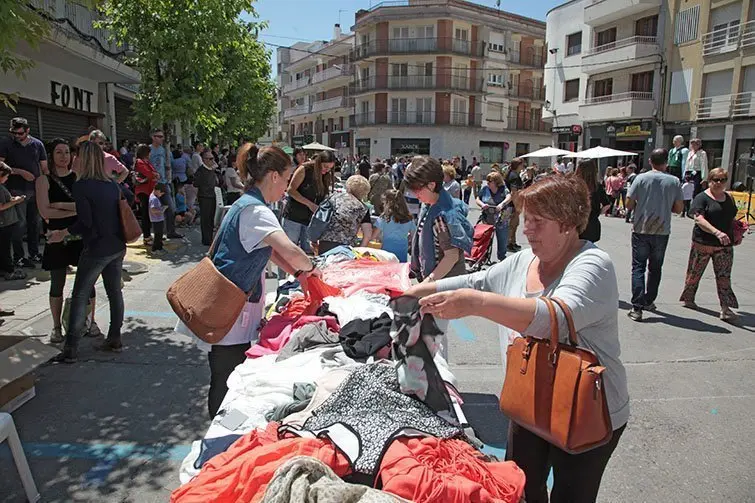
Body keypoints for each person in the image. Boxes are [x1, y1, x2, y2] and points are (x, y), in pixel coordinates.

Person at [405, 174, 628, 503]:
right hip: (530, 399)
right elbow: (480, 280)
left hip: (588, 410)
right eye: (526, 220)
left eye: (538, 222)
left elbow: (552, 316)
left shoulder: (593, 264)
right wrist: (424, 289)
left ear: (567, 224)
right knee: (520, 487)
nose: (526, 230)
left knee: (571, 496)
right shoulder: (525, 259)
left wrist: (476, 306)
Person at [194, 145, 323, 418]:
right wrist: (312, 268)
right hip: (231, 312)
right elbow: (288, 249)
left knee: (227, 373)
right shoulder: (257, 211)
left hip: (232, 307)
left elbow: (271, 250)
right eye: (287, 180)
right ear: (274, 176)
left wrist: (300, 274)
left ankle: (225, 429)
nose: (287, 188)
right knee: (227, 378)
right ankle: (221, 435)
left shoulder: (248, 204)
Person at [49, 141, 127, 363]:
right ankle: (114, 337)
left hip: (96, 248)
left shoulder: (82, 186)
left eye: (76, 155)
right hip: (117, 245)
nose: (72, 158)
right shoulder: (111, 185)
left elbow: (85, 222)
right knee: (114, 293)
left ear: (83, 159)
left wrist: (64, 232)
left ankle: (71, 347)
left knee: (80, 295)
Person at [37, 138, 100, 342]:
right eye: (59, 152)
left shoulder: (79, 179)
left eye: (66, 152)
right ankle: (56, 327)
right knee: (57, 283)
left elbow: (86, 210)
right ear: (51, 156)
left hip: (79, 236)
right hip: (55, 238)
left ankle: (91, 321)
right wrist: (72, 208)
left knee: (87, 282)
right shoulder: (43, 181)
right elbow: (44, 211)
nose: (64, 156)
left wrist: (60, 206)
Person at [625, 148, 684, 321]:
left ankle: (637, 308)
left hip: (641, 229)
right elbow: (679, 208)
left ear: (650, 161)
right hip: (662, 230)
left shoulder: (640, 178)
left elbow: (628, 204)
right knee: (655, 268)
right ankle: (649, 300)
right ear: (666, 162)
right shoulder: (674, 181)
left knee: (638, 267)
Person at [679, 168, 739, 321]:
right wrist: (717, 232)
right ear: (709, 181)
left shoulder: (729, 198)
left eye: (722, 180)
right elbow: (699, 219)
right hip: (703, 242)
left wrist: (738, 231)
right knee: (694, 273)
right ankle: (689, 297)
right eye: (715, 180)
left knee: (724, 277)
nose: (719, 183)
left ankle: (725, 308)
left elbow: (730, 218)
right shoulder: (702, 198)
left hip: (724, 245)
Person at [0, 117, 48, 267]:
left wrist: (46, 185)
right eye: (14, 133)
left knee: (35, 223)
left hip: (34, 190)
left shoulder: (37, 144)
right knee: (20, 225)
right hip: (16, 190)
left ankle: (34, 254)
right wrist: (20, 172)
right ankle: (19, 257)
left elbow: (44, 167)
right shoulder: (6, 143)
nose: (17, 136)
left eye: (20, 133)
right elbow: (1, 166)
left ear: (28, 131)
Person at [283, 150, 334, 254]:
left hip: (311, 219)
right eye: (325, 166)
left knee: (308, 250)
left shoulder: (326, 175)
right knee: (289, 249)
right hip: (294, 216)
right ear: (319, 162)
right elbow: (291, 190)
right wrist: (309, 204)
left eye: (330, 168)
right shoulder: (305, 169)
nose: (326, 170)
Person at [316, 175, 372, 253]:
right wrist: (359, 251)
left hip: (326, 242)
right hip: (346, 248)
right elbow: (368, 235)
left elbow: (320, 218)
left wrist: (314, 237)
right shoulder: (363, 209)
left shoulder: (333, 198)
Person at [150, 129, 182, 239]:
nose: (161, 139)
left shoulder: (163, 150)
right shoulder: (149, 150)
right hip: (153, 183)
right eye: (159, 136)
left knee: (171, 208)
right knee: (155, 209)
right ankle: (157, 233)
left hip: (164, 182)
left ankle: (170, 231)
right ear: (153, 137)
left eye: (162, 136)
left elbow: (166, 165)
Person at [476, 171, 513, 262]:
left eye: (490, 181)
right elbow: (478, 198)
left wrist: (501, 204)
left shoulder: (503, 189)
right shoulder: (485, 189)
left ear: (496, 182)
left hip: (501, 217)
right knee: (485, 238)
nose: (487, 182)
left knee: (502, 237)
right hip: (487, 216)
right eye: (487, 180)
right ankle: (483, 256)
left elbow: (509, 197)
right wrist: (482, 204)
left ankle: (502, 257)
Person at [372, 189, 416, 262]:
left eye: (384, 203)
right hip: (402, 254)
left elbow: (373, 236)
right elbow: (414, 236)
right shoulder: (409, 218)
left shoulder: (384, 218)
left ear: (387, 203)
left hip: (386, 255)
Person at [574, 159, 611, 243]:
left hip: (577, 225)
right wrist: (597, 213)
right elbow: (607, 204)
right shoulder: (597, 186)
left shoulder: (575, 185)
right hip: (593, 225)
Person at [0, 163, 26, 280]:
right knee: (5, 248)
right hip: (4, 222)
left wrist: (13, 199)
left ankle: (3, 269)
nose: (7, 179)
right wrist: (16, 201)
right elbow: (1, 206)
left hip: (5, 222)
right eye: (6, 176)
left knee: (3, 247)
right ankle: (9, 271)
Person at [133, 144, 159, 247]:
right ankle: (146, 237)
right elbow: (150, 174)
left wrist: (155, 175)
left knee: (148, 214)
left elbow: (155, 172)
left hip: (149, 190)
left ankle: (148, 235)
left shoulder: (146, 162)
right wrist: (154, 175)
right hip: (143, 191)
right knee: (145, 215)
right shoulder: (139, 162)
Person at [194, 149, 220, 246]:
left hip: (213, 195)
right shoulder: (201, 170)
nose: (212, 160)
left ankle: (210, 237)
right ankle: (206, 239)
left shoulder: (212, 170)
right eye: (209, 158)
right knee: (205, 219)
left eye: (212, 158)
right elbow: (196, 183)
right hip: (204, 196)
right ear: (204, 159)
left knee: (211, 218)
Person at [505, 158, 524, 252]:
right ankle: (509, 243)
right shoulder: (514, 176)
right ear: (518, 165)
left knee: (514, 224)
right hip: (512, 204)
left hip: (510, 204)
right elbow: (514, 193)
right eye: (522, 164)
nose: (523, 166)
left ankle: (512, 242)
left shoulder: (512, 174)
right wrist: (517, 207)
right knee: (512, 225)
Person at [149, 182, 168, 254]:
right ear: (157, 190)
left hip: (157, 219)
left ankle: (159, 247)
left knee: (159, 234)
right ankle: (155, 249)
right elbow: (153, 209)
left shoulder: (153, 196)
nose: (161, 195)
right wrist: (162, 209)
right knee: (158, 235)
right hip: (156, 219)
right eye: (161, 193)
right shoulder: (154, 199)